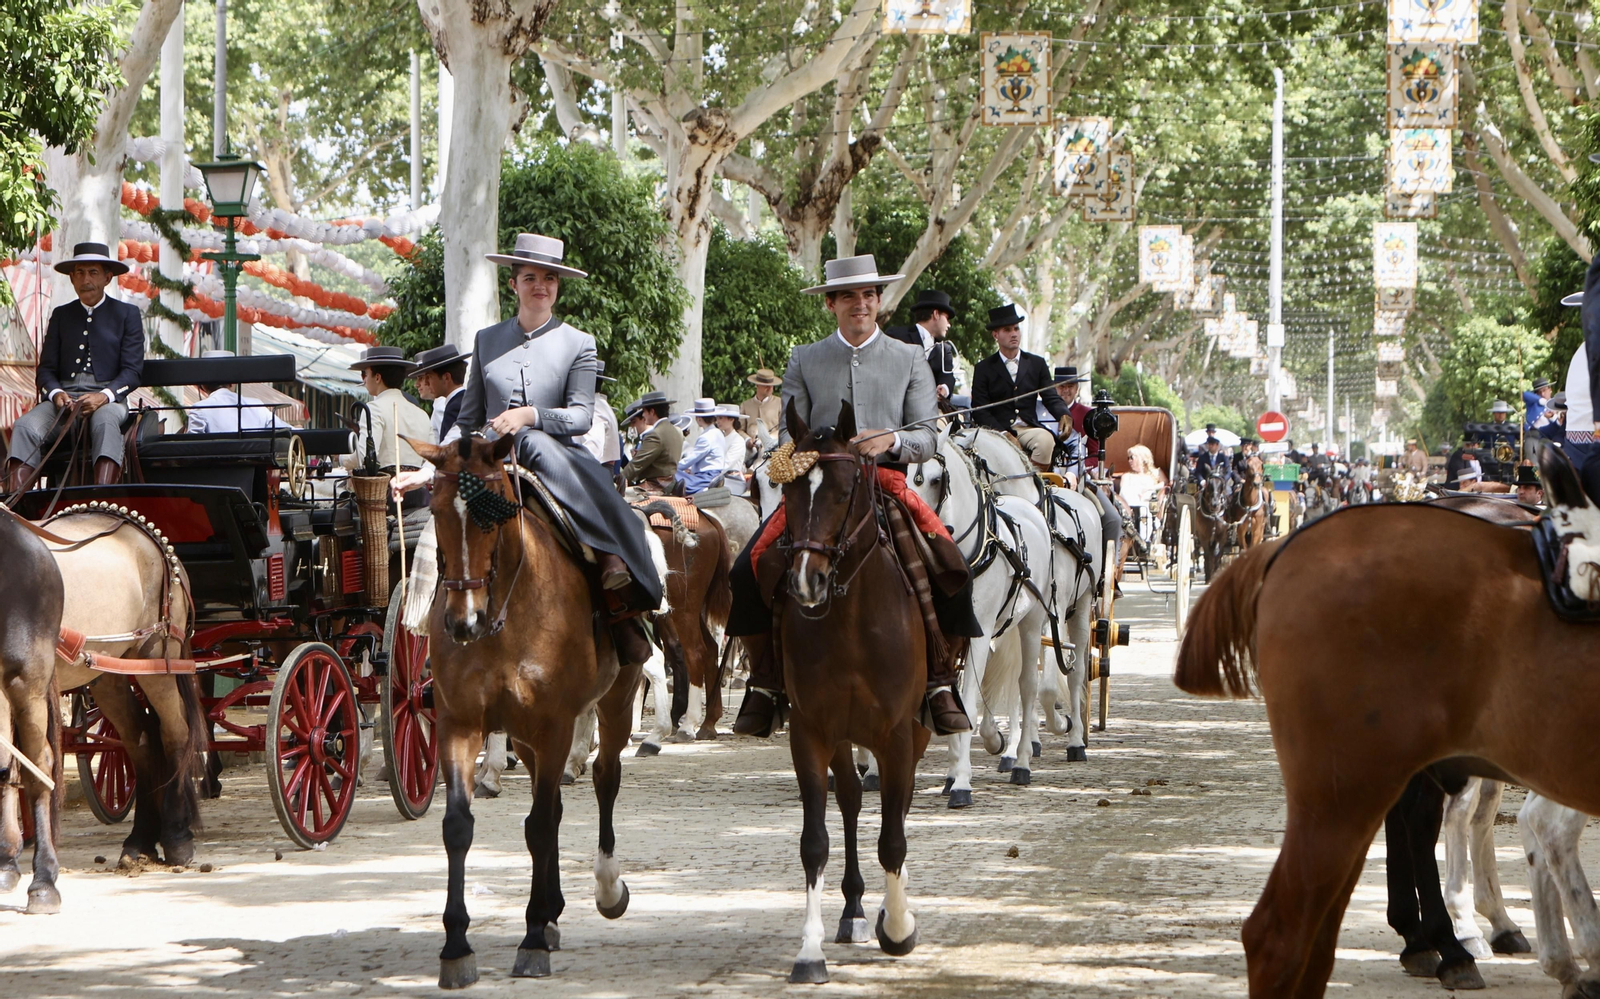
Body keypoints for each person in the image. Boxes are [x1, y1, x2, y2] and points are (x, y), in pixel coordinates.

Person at [729, 252, 975, 738]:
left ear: (879, 301)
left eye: (868, 295)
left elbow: (928, 436)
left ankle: (940, 681)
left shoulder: (909, 358)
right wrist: (811, 452)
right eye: (848, 296)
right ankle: (766, 682)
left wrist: (893, 440)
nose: (859, 304)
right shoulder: (804, 357)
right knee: (747, 568)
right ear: (831, 304)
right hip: (822, 490)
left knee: (952, 568)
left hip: (886, 483)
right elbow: (788, 432)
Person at [390, 233, 662, 659]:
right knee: (446, 516)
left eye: (550, 278)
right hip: (487, 460)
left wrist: (528, 416)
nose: (541, 286)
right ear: (513, 283)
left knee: (534, 444)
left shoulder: (579, 343)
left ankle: (614, 583)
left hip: (558, 457)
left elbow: (581, 417)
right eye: (531, 277)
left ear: (558, 285)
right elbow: (467, 420)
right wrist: (430, 468)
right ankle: (432, 625)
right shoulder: (486, 340)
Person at [5, 242, 144, 491]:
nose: (85, 279)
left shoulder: (127, 314)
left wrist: (104, 396)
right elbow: (46, 370)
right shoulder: (61, 315)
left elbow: (132, 372)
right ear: (71, 278)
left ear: (107, 277)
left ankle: (102, 498)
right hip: (63, 401)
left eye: (93, 272)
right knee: (24, 426)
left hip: (109, 399)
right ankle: (18, 504)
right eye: (79, 273)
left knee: (105, 423)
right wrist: (56, 394)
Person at [970, 303, 1071, 469]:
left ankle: (1034, 481)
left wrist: (1064, 414)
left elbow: (1051, 397)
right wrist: (1003, 433)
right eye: (1007, 330)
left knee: (1046, 440)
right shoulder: (983, 368)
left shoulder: (1037, 363)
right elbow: (980, 410)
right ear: (995, 335)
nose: (1014, 334)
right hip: (996, 431)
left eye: (1016, 329)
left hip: (1028, 429)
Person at [342, 346, 432, 475]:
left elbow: (363, 456)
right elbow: (432, 457)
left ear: (377, 377)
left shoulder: (374, 409)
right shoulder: (422, 414)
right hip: (417, 484)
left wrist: (342, 458)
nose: (364, 380)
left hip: (386, 484)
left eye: (365, 374)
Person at [185, 349, 286, 433]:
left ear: (203, 385)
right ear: (232, 382)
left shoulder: (199, 409)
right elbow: (287, 431)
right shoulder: (257, 406)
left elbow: (193, 446)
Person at [884, 289, 959, 401]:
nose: (949, 325)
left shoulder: (944, 350)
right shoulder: (896, 336)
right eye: (947, 318)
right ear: (936, 314)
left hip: (929, 408)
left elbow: (947, 376)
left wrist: (944, 388)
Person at [623, 390, 681, 490]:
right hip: (670, 482)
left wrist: (619, 480)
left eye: (644, 411)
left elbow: (637, 465)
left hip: (657, 485)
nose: (643, 415)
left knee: (625, 496)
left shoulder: (656, 434)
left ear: (652, 412)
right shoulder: (675, 430)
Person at [411, 343, 468, 442]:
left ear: (446, 378)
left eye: (429, 377)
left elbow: (451, 447)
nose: (426, 382)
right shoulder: (468, 399)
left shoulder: (454, 407)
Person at [675, 398, 728, 494]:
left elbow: (692, 458)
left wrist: (674, 467)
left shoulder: (706, 437)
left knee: (673, 474)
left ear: (699, 419)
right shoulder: (718, 432)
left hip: (705, 477)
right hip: (714, 473)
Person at [580, 360, 623, 474]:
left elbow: (592, 451)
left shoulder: (594, 408)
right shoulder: (600, 405)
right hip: (598, 471)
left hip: (593, 473)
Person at [713, 404, 750, 494]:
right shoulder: (718, 437)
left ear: (731, 419)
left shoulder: (738, 440)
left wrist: (709, 472)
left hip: (732, 481)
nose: (718, 421)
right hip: (718, 477)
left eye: (721, 418)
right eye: (717, 418)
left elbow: (726, 464)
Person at [740, 368, 782, 438]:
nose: (770, 388)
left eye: (772, 385)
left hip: (774, 443)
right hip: (751, 443)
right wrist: (748, 440)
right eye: (766, 386)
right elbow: (740, 429)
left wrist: (770, 438)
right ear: (757, 385)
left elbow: (784, 428)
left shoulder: (780, 403)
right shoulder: (745, 405)